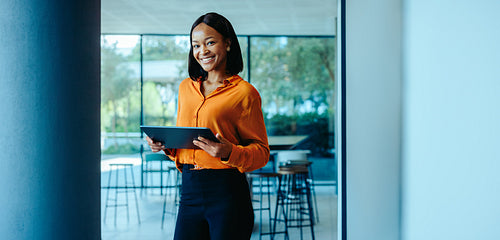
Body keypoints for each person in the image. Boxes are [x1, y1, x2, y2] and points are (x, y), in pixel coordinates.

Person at [146, 12, 270, 240]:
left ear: (228, 43)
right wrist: (165, 145)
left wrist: (228, 151)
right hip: (189, 190)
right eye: (196, 45)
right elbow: (186, 143)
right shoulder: (186, 88)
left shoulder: (245, 93)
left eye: (210, 42)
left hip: (227, 193)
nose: (202, 51)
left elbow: (262, 153)